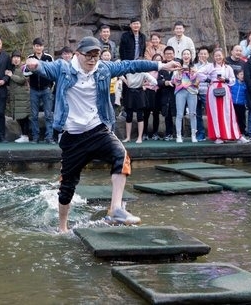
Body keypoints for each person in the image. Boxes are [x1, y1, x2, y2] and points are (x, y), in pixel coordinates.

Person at [24, 36, 180, 233]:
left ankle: (115, 208)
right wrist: (33, 65)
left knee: (121, 157)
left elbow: (131, 65)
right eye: (88, 56)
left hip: (98, 130)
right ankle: (62, 227)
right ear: (78, 54)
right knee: (67, 188)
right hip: (72, 137)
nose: (92, 60)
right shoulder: (64, 68)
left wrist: (161, 65)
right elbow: (42, 68)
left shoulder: (103, 69)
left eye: (95, 56)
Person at [196, 48, 248, 144]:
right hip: (213, 90)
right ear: (214, 57)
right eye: (216, 56)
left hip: (225, 89)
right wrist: (208, 80)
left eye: (220, 55)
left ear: (223, 56)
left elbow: (232, 79)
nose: (218, 57)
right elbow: (198, 73)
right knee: (216, 113)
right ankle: (218, 135)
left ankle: (236, 135)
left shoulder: (228, 67)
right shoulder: (210, 66)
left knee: (228, 112)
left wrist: (225, 80)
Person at [121, 61, 158, 143]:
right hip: (130, 92)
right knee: (129, 116)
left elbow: (155, 82)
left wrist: (144, 84)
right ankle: (128, 137)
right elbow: (120, 74)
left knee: (140, 115)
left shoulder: (143, 73)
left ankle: (139, 137)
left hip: (139, 93)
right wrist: (126, 82)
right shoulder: (128, 70)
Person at [28, 38, 55, 144]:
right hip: (34, 90)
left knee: (48, 114)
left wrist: (51, 86)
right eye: (36, 45)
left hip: (46, 89)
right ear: (33, 47)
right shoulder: (30, 57)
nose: (38, 47)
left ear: (43, 47)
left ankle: (49, 137)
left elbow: (53, 71)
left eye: (40, 45)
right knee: (34, 115)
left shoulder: (48, 57)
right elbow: (26, 72)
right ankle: (35, 137)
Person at [172, 49, 198, 143]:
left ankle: (193, 135)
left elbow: (197, 81)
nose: (186, 56)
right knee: (179, 114)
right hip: (180, 91)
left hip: (192, 91)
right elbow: (174, 81)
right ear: (182, 56)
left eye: (188, 54)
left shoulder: (195, 67)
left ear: (191, 56)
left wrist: (193, 73)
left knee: (193, 114)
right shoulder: (178, 67)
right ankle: (179, 135)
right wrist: (179, 73)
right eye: (184, 54)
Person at [6, 51, 31, 143]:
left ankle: (26, 136)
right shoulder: (12, 68)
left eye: (18, 57)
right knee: (19, 117)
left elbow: (23, 80)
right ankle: (24, 135)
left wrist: (11, 75)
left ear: (20, 59)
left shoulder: (24, 67)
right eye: (14, 57)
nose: (16, 59)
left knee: (24, 117)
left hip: (23, 96)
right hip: (16, 97)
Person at [158, 47, 177, 141]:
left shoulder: (178, 65)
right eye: (167, 54)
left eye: (171, 53)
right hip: (165, 94)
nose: (169, 55)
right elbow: (157, 81)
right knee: (167, 114)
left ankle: (179, 133)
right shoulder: (162, 67)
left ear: (174, 54)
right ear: (164, 55)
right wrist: (164, 82)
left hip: (176, 93)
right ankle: (169, 133)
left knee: (178, 114)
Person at [193, 46, 210, 141]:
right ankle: (200, 133)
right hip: (195, 92)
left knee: (210, 113)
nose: (203, 55)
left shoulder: (211, 65)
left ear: (208, 55)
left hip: (206, 92)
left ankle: (213, 133)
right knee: (197, 114)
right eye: (201, 54)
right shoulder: (194, 65)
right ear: (198, 55)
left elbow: (210, 77)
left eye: (205, 54)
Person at [230, 69, 247, 135]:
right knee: (233, 118)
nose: (242, 76)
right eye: (241, 74)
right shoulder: (233, 83)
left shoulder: (245, 85)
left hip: (241, 104)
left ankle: (242, 131)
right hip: (233, 103)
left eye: (243, 74)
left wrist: (246, 102)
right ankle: (233, 131)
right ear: (237, 76)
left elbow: (246, 94)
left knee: (241, 118)